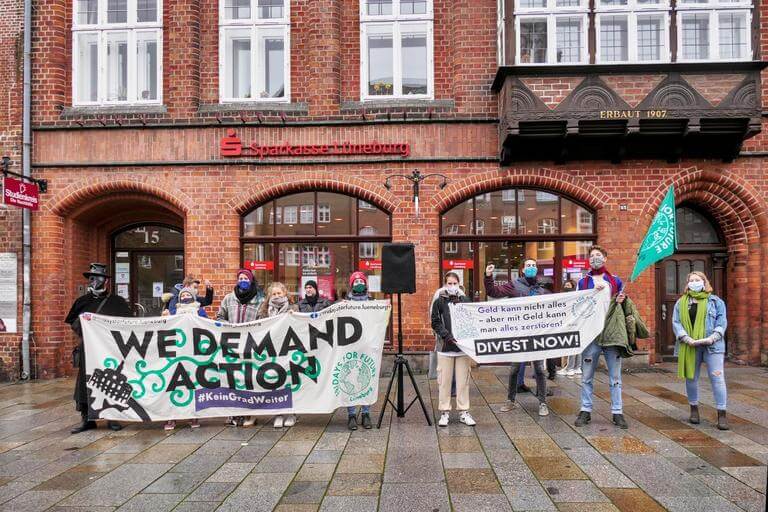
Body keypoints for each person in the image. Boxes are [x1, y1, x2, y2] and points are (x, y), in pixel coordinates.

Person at [65, 263, 132, 434]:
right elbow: (72, 323)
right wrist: (82, 323)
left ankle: (112, 417)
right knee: (85, 382)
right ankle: (87, 419)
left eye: (99, 278)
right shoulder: (82, 302)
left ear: (106, 282)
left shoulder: (117, 302)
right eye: (92, 278)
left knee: (110, 381)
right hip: (88, 348)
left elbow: (129, 324)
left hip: (110, 349)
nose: (94, 281)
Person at [574, 245, 630, 429]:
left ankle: (617, 412)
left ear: (605, 258)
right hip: (591, 335)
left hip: (611, 334)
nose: (595, 258)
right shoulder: (583, 282)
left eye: (598, 255)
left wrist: (622, 300)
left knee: (615, 376)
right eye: (592, 256)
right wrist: (591, 294)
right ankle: (585, 410)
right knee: (586, 376)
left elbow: (623, 306)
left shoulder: (614, 281)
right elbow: (576, 306)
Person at [485, 259, 551, 416]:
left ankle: (542, 403)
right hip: (519, 335)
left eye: (533, 266)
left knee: (540, 370)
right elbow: (493, 292)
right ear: (522, 269)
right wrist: (488, 276)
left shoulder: (541, 290)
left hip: (536, 335)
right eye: (528, 265)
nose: (531, 268)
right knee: (514, 369)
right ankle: (510, 400)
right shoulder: (514, 284)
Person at [672, 271, 729, 430]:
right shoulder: (681, 303)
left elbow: (722, 321)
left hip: (713, 346)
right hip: (690, 345)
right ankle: (694, 410)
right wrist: (685, 337)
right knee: (691, 378)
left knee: (717, 379)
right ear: (687, 283)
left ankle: (722, 414)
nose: (695, 282)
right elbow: (676, 322)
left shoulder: (716, 302)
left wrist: (713, 337)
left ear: (705, 282)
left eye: (698, 280)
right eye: (692, 280)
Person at [216, 269, 265, 427]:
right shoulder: (229, 298)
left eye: (246, 278)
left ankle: (250, 412)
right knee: (233, 378)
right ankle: (233, 413)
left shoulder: (259, 299)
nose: (243, 280)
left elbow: (263, 319)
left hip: (250, 344)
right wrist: (227, 326)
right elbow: (220, 316)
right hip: (231, 343)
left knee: (249, 378)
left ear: (251, 281)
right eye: (240, 278)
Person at [431, 272, 476, 427]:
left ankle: (463, 411)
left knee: (463, 381)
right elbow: (435, 322)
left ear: (459, 284)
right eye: (449, 283)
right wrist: (446, 335)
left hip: (462, 349)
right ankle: (444, 412)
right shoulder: (439, 301)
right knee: (444, 381)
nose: (452, 286)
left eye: (454, 283)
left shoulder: (465, 301)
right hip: (445, 348)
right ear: (445, 285)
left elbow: (471, 321)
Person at [163, 287, 206, 430]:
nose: (185, 297)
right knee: (174, 383)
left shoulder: (200, 311)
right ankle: (171, 416)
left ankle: (193, 415)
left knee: (193, 382)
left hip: (194, 352)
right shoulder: (174, 311)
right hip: (177, 352)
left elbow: (207, 326)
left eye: (188, 294)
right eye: (183, 295)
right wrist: (165, 317)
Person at [257, 282, 299, 429]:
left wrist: (295, 317)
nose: (276, 296)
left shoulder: (294, 309)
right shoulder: (263, 311)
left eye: (279, 293)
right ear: (269, 296)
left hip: (288, 350)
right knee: (275, 381)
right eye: (273, 294)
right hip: (271, 350)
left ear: (285, 293)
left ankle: (291, 413)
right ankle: (278, 413)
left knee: (290, 381)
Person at [345, 271, 375, 430]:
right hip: (350, 346)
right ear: (351, 285)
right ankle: (351, 414)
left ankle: (365, 413)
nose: (358, 284)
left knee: (366, 378)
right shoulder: (345, 302)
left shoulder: (372, 301)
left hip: (367, 346)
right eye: (355, 282)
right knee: (348, 379)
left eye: (361, 281)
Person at [557, 279, 583, 378]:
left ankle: (569, 368)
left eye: (569, 286)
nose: (567, 287)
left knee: (570, 347)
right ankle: (577, 367)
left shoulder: (566, 297)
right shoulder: (578, 296)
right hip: (577, 324)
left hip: (570, 324)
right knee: (576, 346)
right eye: (566, 285)